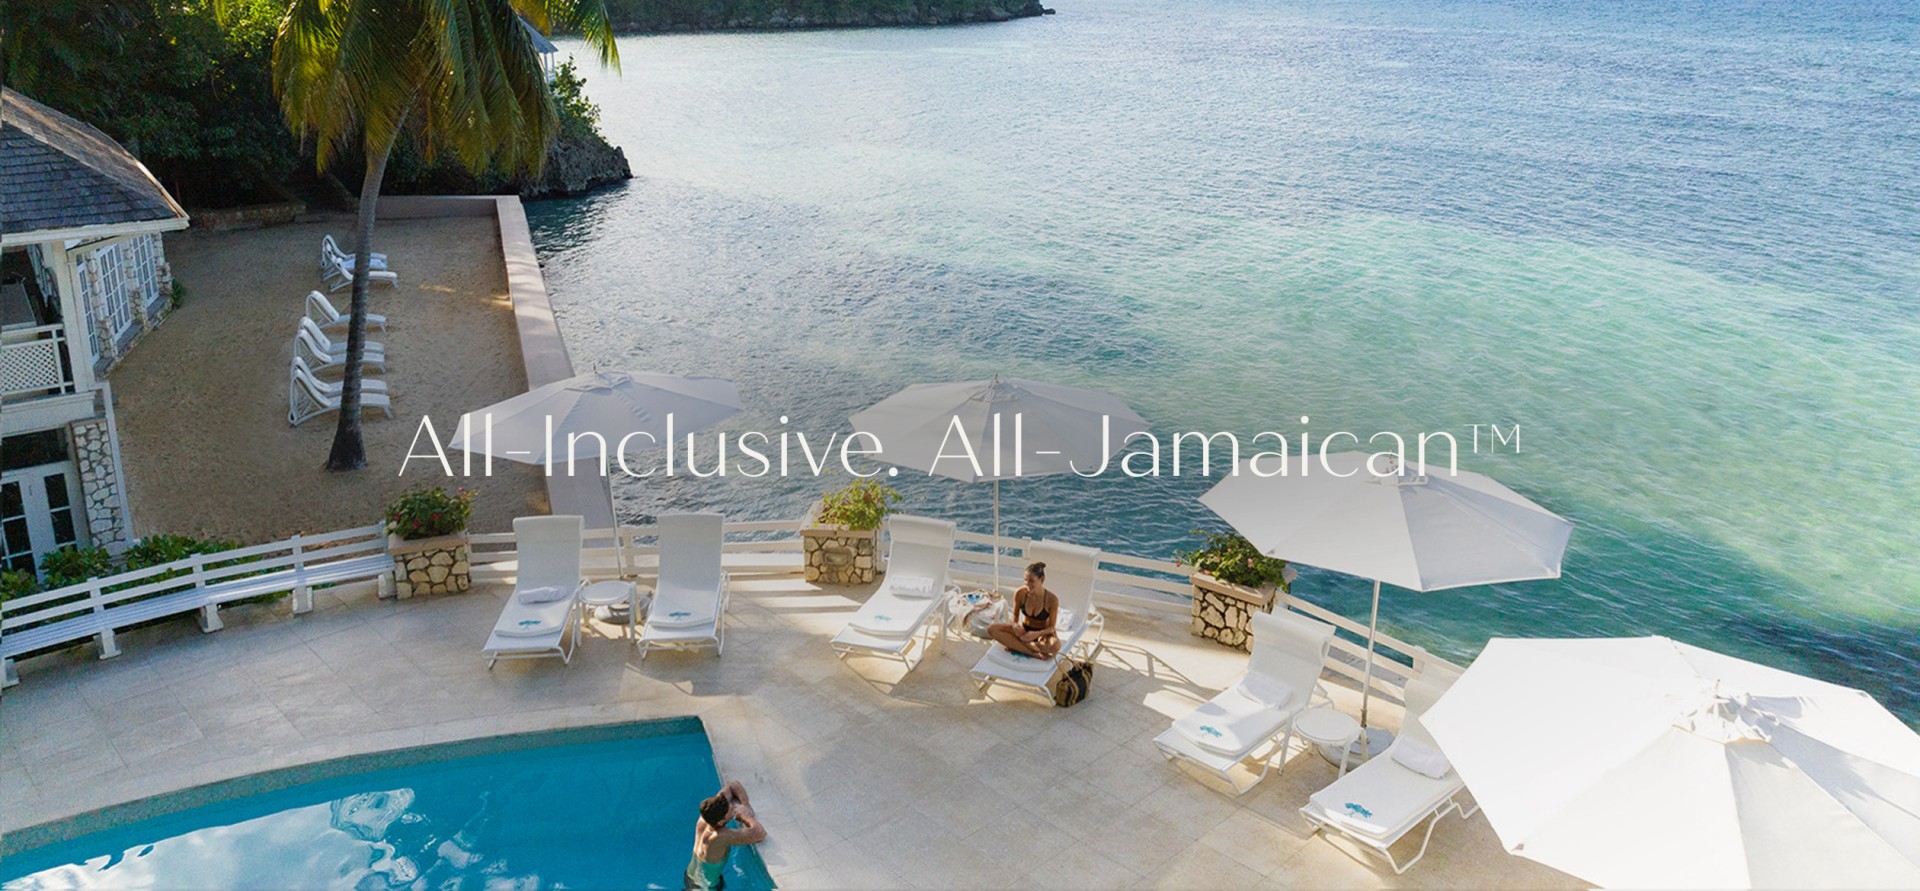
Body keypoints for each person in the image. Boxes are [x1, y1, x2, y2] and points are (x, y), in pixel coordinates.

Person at [686, 780, 765, 890]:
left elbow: (733, 785)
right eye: (730, 810)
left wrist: (746, 805)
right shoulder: (719, 837)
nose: (733, 808)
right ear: (721, 822)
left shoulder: (707, 815)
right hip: (705, 888)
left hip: (690, 876)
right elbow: (760, 834)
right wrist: (745, 816)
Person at [988, 561, 1059, 659]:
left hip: (1041, 634)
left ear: (1042, 580)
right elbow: (1015, 616)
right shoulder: (1020, 593)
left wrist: (1035, 634)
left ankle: (1017, 645)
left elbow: (1052, 628)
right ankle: (1032, 652)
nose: (1027, 584)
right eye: (1025, 580)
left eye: (1031, 581)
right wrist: (1015, 625)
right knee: (992, 629)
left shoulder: (1052, 600)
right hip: (1024, 631)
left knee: (1055, 646)